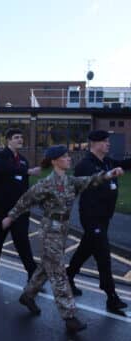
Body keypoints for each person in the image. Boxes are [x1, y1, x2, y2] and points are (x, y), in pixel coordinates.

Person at [1, 145, 124, 333]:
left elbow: (90, 180)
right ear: (54, 161)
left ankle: (27, 295)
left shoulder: (70, 181)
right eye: (65, 156)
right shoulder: (46, 184)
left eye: (68, 156)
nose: (69, 159)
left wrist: (109, 174)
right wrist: (10, 217)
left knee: (45, 268)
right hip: (49, 231)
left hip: (62, 230)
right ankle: (69, 316)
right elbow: (26, 200)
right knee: (58, 272)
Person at [67, 130, 131, 313]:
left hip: (105, 216)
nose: (108, 144)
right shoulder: (85, 165)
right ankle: (111, 296)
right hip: (91, 217)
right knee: (103, 255)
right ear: (94, 144)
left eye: (108, 141)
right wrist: (109, 175)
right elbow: (82, 185)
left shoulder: (108, 161)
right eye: (104, 141)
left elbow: (125, 164)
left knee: (85, 249)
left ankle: (68, 275)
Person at [0, 128, 40, 281]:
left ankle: (32, 274)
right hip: (2, 208)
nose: (20, 140)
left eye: (21, 137)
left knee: (22, 241)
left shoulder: (23, 160)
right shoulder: (0, 156)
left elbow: (23, 183)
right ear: (8, 140)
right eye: (16, 137)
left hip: (20, 209)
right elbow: (1, 169)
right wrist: (28, 171)